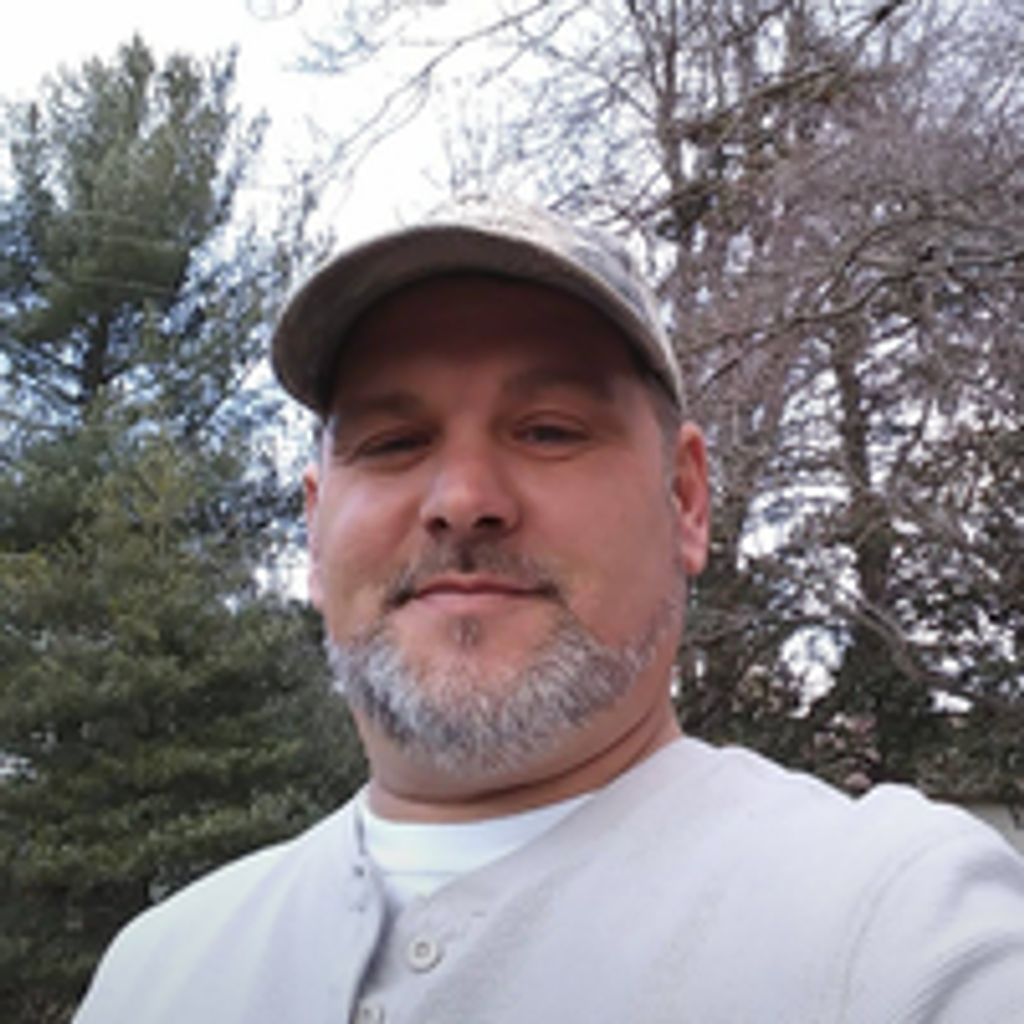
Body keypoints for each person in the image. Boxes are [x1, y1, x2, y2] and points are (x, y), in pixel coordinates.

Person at [74, 198, 1024, 1023]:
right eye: (395, 441)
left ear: (686, 502)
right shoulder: (155, 972)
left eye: (549, 431)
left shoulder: (900, 929)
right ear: (315, 531)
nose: (463, 500)